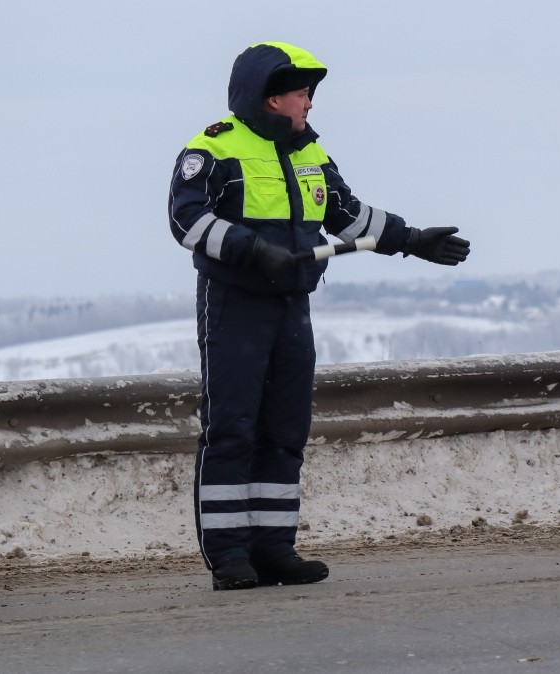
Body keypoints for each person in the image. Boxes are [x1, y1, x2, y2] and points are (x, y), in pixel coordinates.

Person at [167, 41, 470, 591]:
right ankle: (231, 556)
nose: (309, 103)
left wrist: (413, 239)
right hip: (235, 307)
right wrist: (253, 250)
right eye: (302, 93)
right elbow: (186, 220)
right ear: (271, 96)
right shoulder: (212, 148)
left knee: (285, 431)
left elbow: (349, 216)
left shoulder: (311, 154)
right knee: (232, 430)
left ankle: (274, 549)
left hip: (292, 309)